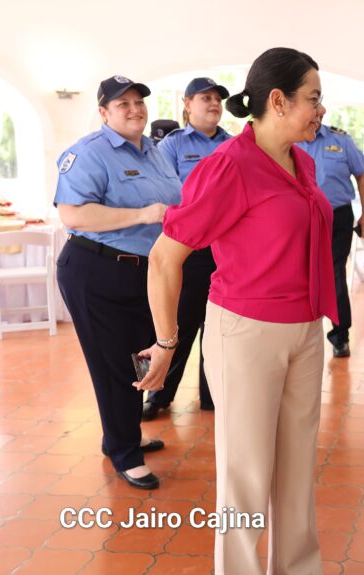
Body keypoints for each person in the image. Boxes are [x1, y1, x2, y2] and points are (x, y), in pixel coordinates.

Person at [137, 48, 335, 575]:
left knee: (296, 472)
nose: (321, 110)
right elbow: (164, 257)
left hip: (304, 329)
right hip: (247, 334)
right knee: (245, 477)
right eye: (313, 98)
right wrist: (167, 341)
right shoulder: (229, 166)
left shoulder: (303, 161)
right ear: (279, 100)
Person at [54, 75, 182, 490]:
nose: (134, 109)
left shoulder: (154, 151)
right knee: (112, 364)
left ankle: (124, 433)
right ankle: (124, 453)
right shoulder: (90, 153)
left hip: (146, 273)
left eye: (138, 102)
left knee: (139, 356)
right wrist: (142, 214)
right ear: (103, 112)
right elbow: (73, 214)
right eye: (122, 104)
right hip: (98, 270)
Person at [141, 77, 233, 420]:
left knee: (219, 325)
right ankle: (158, 395)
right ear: (187, 103)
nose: (214, 104)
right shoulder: (172, 145)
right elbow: (163, 193)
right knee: (179, 323)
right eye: (205, 98)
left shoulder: (233, 144)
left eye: (217, 99)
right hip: (187, 251)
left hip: (224, 250)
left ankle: (212, 395)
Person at [298, 107, 364, 358]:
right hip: (301, 218)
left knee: (333, 274)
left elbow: (362, 177)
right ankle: (301, 331)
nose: (317, 112)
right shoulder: (291, 139)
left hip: (337, 216)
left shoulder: (341, 140)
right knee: (300, 274)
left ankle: (341, 337)